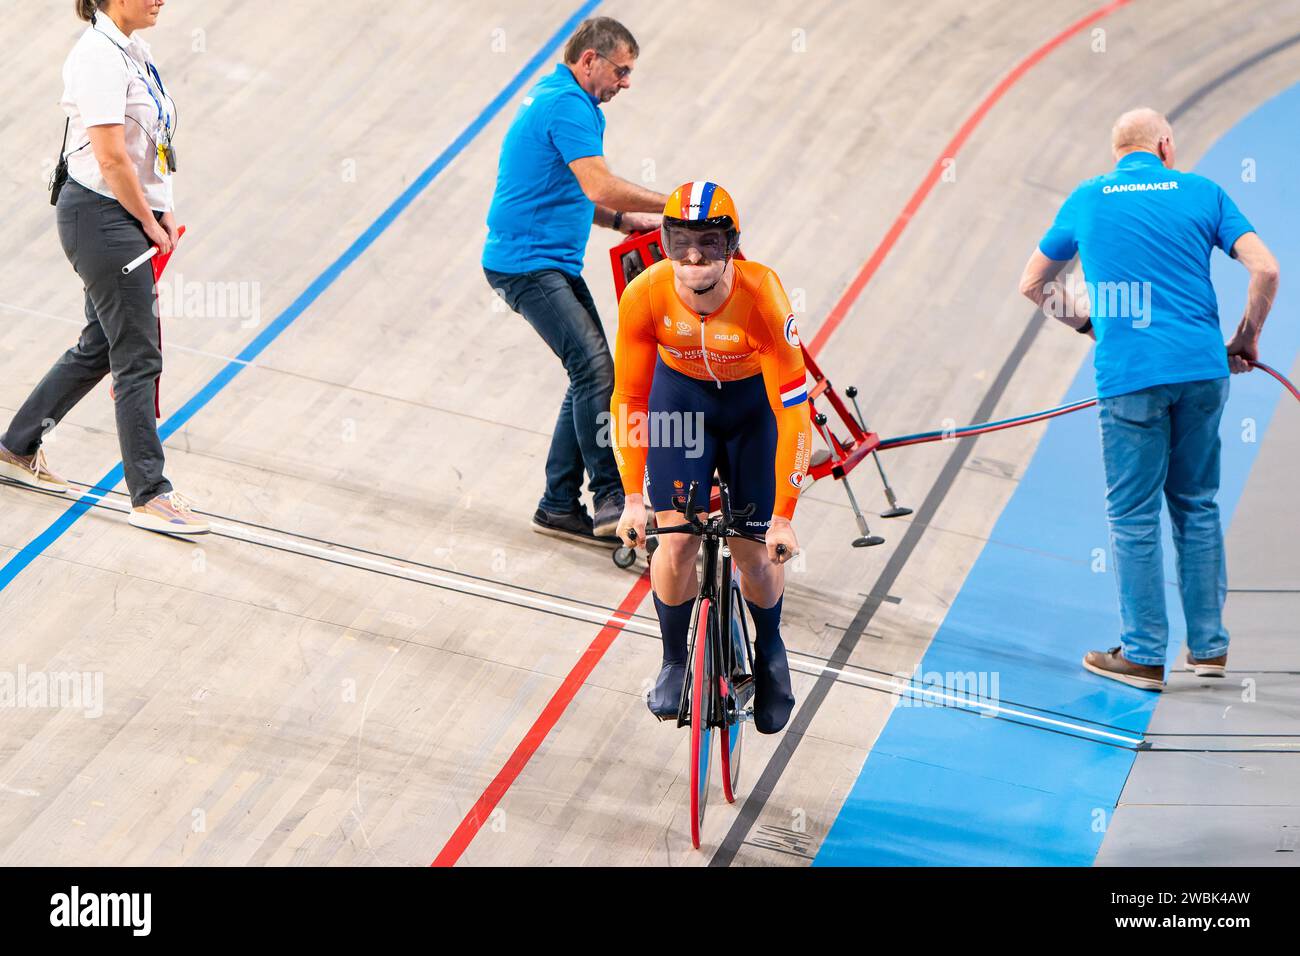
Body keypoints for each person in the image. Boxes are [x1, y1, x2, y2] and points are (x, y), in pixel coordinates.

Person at [1019, 107, 1279, 690]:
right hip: (1202, 371)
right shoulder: (1203, 191)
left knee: (1133, 516)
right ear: (1165, 146)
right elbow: (1265, 270)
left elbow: (1033, 283)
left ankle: (1142, 655)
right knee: (1197, 504)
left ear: (1119, 152)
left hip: (1130, 376)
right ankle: (1209, 648)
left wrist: (1089, 326)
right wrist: (1246, 338)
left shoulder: (1088, 197)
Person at [0, 0, 208, 534]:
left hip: (122, 213)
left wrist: (162, 209)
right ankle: (149, 493)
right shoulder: (98, 57)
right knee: (138, 353)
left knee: (100, 345)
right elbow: (111, 157)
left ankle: (16, 446)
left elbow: (150, 148)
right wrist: (148, 220)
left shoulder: (134, 51)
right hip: (103, 216)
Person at [612, 181, 811, 733]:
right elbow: (628, 398)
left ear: (732, 246)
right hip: (683, 407)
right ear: (666, 241)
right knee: (674, 539)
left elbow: (794, 410)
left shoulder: (764, 296)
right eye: (680, 242)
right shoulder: (646, 294)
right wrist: (631, 496)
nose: (694, 255)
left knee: (754, 553)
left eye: (709, 242)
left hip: (752, 413)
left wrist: (785, 516)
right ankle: (675, 659)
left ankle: (770, 649)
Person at [482, 16, 666, 547]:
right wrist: (677, 203)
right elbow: (599, 182)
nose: (626, 82)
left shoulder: (563, 98)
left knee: (587, 373)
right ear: (590, 60)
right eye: (622, 70)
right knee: (595, 371)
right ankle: (610, 499)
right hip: (526, 264)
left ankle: (558, 504)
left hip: (547, 261)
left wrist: (619, 221)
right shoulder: (567, 105)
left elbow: (560, 188)